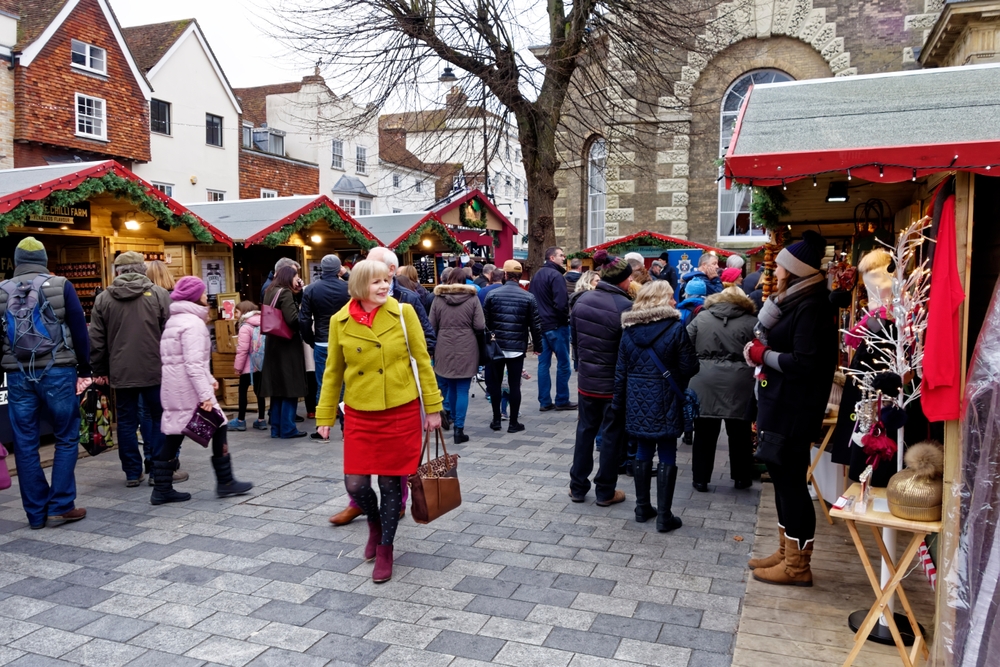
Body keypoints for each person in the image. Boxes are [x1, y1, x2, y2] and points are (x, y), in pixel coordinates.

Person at [315, 260, 444, 583]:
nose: (385, 287)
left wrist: (433, 408)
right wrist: (325, 414)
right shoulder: (339, 321)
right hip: (360, 412)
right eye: (376, 283)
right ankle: (374, 524)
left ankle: (385, 547)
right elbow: (332, 372)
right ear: (360, 286)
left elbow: (423, 362)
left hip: (399, 410)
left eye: (386, 280)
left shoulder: (404, 313)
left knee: (389, 485)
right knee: (356, 485)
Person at [744, 230, 837, 586]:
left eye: (781, 267)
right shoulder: (795, 301)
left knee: (791, 483)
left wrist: (762, 355)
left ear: (793, 270)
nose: (775, 273)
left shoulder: (810, 306)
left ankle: (798, 566)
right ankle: (787, 551)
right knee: (783, 481)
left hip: (793, 408)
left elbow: (805, 362)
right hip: (781, 403)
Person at [328, 247, 425, 526]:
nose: (381, 283)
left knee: (393, 473)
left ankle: (396, 507)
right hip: (361, 400)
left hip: (397, 397)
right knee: (358, 471)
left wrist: (398, 364)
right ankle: (359, 504)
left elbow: (425, 343)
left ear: (391, 272)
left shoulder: (406, 301)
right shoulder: (343, 315)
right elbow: (334, 370)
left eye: (382, 275)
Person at [0, 237, 91, 529]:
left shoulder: (1, 291)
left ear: (16, 262)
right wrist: (85, 370)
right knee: (66, 436)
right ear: (43, 261)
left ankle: (35, 513)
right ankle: (61, 505)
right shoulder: (60, 285)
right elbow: (79, 329)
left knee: (25, 443)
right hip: (58, 371)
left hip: (17, 374)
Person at [155, 276, 253, 504]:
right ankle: (226, 482)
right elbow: (193, 363)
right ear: (195, 296)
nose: (205, 296)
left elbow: (182, 360)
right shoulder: (194, 324)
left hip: (174, 386)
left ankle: (161, 488)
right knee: (218, 423)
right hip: (189, 389)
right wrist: (206, 394)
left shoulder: (174, 321)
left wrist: (209, 378)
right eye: (202, 292)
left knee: (174, 433)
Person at [614, 281, 699, 532]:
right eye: (671, 298)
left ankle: (642, 508)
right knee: (667, 451)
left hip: (637, 398)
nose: (675, 302)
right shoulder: (675, 328)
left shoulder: (629, 330)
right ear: (661, 300)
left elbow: (620, 372)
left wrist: (618, 406)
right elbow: (689, 367)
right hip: (665, 398)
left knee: (642, 448)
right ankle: (664, 516)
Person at [90, 251, 172, 487]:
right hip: (154, 368)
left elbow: (96, 339)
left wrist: (99, 369)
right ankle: (158, 469)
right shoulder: (158, 294)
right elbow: (169, 331)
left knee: (126, 422)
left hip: (120, 370)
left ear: (118, 272)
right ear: (142, 270)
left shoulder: (104, 299)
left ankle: (132, 472)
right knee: (158, 419)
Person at [568, 250, 633, 506]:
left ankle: (577, 487)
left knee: (585, 432)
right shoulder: (625, 306)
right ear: (622, 280)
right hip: (612, 384)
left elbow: (576, 342)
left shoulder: (581, 301)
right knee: (611, 437)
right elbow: (628, 351)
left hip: (587, 381)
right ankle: (605, 490)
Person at [687, 285, 757, 492]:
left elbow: (685, 343)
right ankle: (742, 478)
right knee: (740, 432)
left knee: (704, 433)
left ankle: (700, 479)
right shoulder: (752, 322)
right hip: (740, 382)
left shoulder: (702, 318)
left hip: (703, 379)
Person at [483, 260, 542, 433]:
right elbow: (535, 325)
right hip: (517, 347)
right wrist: (538, 346)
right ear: (520, 275)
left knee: (495, 384)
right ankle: (513, 422)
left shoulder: (492, 295)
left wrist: (490, 341)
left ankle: (496, 420)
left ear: (506, 275)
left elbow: (485, 324)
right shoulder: (528, 297)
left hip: (497, 347)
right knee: (514, 384)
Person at [429, 269, 485, 444]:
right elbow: (480, 324)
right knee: (462, 389)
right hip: (467, 346)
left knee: (451, 387)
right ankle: (459, 429)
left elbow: (431, 325)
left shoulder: (438, 299)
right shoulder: (472, 298)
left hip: (443, 345)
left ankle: (452, 418)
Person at [300, 254, 351, 441]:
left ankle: (323, 427)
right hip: (346, 339)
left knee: (324, 383)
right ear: (339, 269)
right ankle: (347, 427)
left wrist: (310, 340)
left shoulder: (311, 289)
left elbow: (304, 319)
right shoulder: (348, 288)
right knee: (347, 384)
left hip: (322, 340)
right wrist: (346, 276)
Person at [139, 259, 177, 484]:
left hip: (142, 363)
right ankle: (166, 460)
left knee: (145, 414)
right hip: (164, 363)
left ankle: (148, 457)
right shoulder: (170, 298)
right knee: (164, 412)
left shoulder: (139, 299)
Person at [261, 265, 308, 439]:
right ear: (289, 277)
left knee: (277, 388)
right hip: (287, 344)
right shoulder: (285, 293)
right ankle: (288, 428)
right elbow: (292, 319)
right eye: (296, 277)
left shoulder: (270, 290)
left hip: (273, 343)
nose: (297, 280)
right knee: (290, 386)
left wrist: (298, 291)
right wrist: (304, 315)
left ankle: (276, 428)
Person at [529, 246, 575, 411]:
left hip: (541, 325)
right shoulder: (556, 275)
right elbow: (561, 303)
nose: (564, 258)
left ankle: (545, 401)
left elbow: (532, 301)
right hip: (556, 325)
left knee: (543, 364)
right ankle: (562, 399)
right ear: (552, 258)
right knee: (563, 364)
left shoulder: (537, 276)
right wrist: (564, 320)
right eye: (561, 255)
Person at [367, 247, 436, 355]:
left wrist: (403, 363)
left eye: (373, 265)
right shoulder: (358, 297)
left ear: (391, 269)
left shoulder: (409, 298)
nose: (366, 269)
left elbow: (428, 337)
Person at [230, 301, 266, 431]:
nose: (235, 314)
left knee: (242, 392)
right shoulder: (262, 323)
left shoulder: (245, 326)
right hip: (260, 364)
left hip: (247, 366)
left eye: (237, 311)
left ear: (244, 312)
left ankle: (240, 420)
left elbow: (242, 350)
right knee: (259, 392)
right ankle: (261, 420)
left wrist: (237, 368)